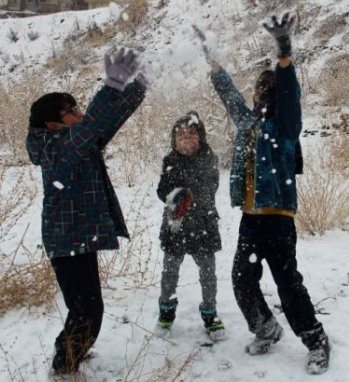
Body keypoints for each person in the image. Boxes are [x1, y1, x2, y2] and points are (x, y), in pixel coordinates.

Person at [196, 13, 330, 374]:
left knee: (287, 284)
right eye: (260, 87)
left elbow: (290, 94)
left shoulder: (286, 125)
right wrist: (213, 62)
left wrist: (283, 55)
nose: (264, 91)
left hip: (278, 218)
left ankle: (316, 339)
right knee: (242, 279)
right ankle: (265, 328)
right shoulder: (248, 122)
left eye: (270, 87)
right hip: (250, 218)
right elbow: (228, 95)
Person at [25, 48, 147, 376]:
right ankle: (64, 366)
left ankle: (70, 350)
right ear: (52, 125)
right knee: (88, 311)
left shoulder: (78, 138)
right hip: (67, 240)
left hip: (81, 236)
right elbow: (89, 128)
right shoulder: (53, 148)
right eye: (71, 111)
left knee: (86, 309)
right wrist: (110, 86)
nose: (78, 114)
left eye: (77, 107)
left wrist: (137, 85)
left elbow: (105, 121)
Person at [155, 111, 226, 342]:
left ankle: (210, 314)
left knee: (208, 274)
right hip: (176, 226)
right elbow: (162, 191)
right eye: (180, 134)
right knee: (169, 274)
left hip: (203, 224)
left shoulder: (209, 158)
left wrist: (189, 192)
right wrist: (175, 195)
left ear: (201, 136)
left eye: (191, 133)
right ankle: (166, 313)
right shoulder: (170, 161)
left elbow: (209, 188)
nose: (186, 138)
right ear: (173, 140)